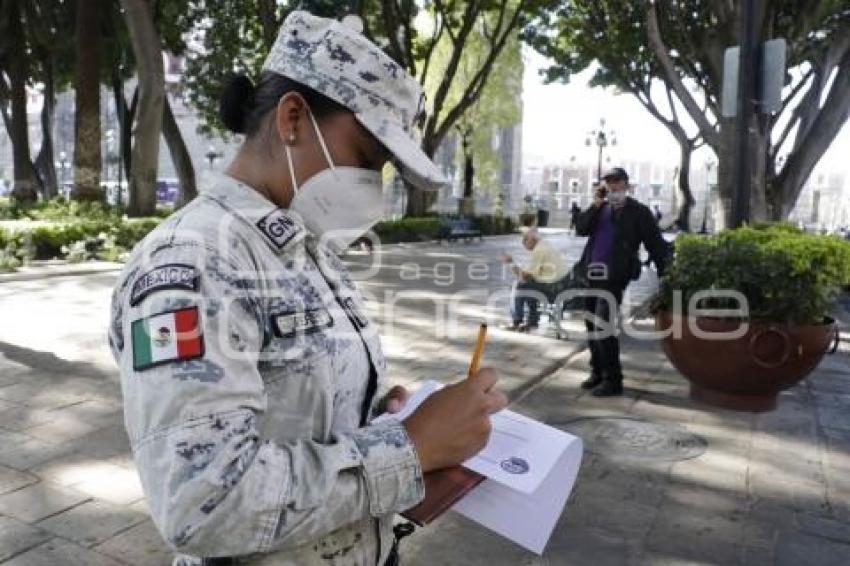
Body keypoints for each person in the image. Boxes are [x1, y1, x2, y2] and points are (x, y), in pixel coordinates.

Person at [107, 12, 507, 566]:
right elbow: (202, 505)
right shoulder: (195, 262)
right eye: (367, 159)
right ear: (293, 116)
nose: (373, 186)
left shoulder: (304, 243)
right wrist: (411, 447)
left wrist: (381, 413)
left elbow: (300, 402)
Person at [575, 167, 670, 397]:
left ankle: (613, 380)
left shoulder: (639, 212)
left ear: (627, 185)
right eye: (609, 183)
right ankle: (597, 371)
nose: (613, 187)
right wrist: (595, 205)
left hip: (615, 277)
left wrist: (666, 275)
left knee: (602, 324)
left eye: (617, 182)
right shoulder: (601, 208)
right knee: (591, 324)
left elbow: (656, 245)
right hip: (591, 274)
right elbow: (580, 229)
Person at [501, 229, 568, 331]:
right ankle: (532, 322)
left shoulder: (539, 250)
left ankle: (516, 321)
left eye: (525, 240)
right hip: (560, 285)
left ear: (533, 239)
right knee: (529, 284)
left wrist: (511, 263)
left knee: (520, 285)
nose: (523, 243)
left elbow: (525, 276)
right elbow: (532, 275)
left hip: (553, 288)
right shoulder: (545, 245)